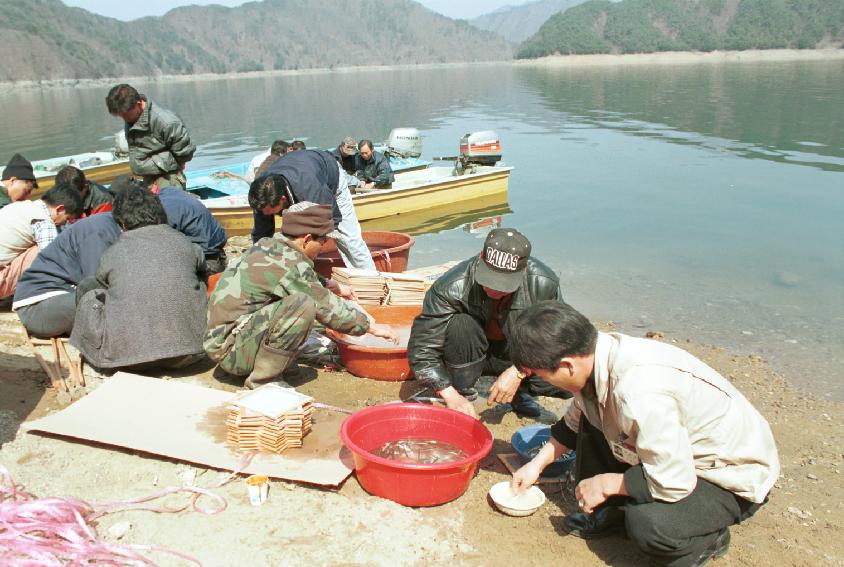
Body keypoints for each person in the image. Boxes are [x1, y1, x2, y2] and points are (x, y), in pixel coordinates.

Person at [508, 301, 780, 567]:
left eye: (543, 376)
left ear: (567, 366)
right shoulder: (594, 359)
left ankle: (709, 541)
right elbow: (574, 421)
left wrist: (608, 484)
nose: (545, 383)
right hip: (674, 456)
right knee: (591, 422)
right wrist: (536, 466)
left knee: (649, 526)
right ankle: (612, 514)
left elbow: (674, 479)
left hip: (726, 474)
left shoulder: (638, 392)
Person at [205, 202, 396, 389]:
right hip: (231, 353)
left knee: (298, 300)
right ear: (306, 240)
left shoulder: (269, 246)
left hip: (226, 340)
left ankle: (271, 363)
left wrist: (329, 284)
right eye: (323, 241)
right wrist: (371, 327)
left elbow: (294, 277)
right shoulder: (289, 265)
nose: (323, 246)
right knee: (302, 304)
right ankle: (263, 380)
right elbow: (326, 307)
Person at [408, 228, 569, 419]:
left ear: (523, 270)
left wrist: (520, 371)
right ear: (481, 257)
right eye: (489, 278)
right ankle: (463, 391)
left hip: (514, 353)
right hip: (470, 352)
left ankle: (520, 392)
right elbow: (422, 347)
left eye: (504, 284)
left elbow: (559, 339)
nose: (494, 288)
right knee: (460, 323)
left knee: (565, 373)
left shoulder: (543, 283)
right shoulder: (451, 285)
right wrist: (449, 393)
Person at [71, 186, 207, 371]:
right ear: (160, 214)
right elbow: (201, 269)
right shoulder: (186, 243)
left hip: (129, 362)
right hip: (190, 353)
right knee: (198, 281)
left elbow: (104, 283)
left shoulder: (112, 253)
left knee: (89, 289)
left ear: (122, 224)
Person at [249, 148, 376, 270]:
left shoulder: (312, 191)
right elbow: (261, 233)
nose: (265, 214)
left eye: (271, 212)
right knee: (296, 242)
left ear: (282, 199)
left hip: (330, 175)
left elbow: (333, 218)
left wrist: (316, 244)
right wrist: (259, 259)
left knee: (348, 238)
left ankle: (370, 278)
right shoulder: (262, 195)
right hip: (298, 168)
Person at [14, 213, 121, 338]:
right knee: (108, 304)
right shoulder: (99, 230)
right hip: (38, 306)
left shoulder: (112, 227)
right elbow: (98, 285)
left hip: (65, 297)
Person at [109, 176, 228, 274]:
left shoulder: (162, 210)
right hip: (215, 251)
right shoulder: (168, 191)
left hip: (210, 261)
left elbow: (161, 247)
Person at [105, 84, 196, 190]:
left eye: (126, 115)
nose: (124, 119)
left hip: (168, 179)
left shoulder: (166, 122)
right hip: (147, 177)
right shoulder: (132, 118)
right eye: (121, 116)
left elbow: (185, 153)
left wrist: (170, 165)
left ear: (138, 104)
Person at [0, 184, 82, 299]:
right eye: (67, 218)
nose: (64, 223)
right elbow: (53, 261)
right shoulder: (44, 221)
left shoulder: (20, 206)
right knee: (43, 254)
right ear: (59, 209)